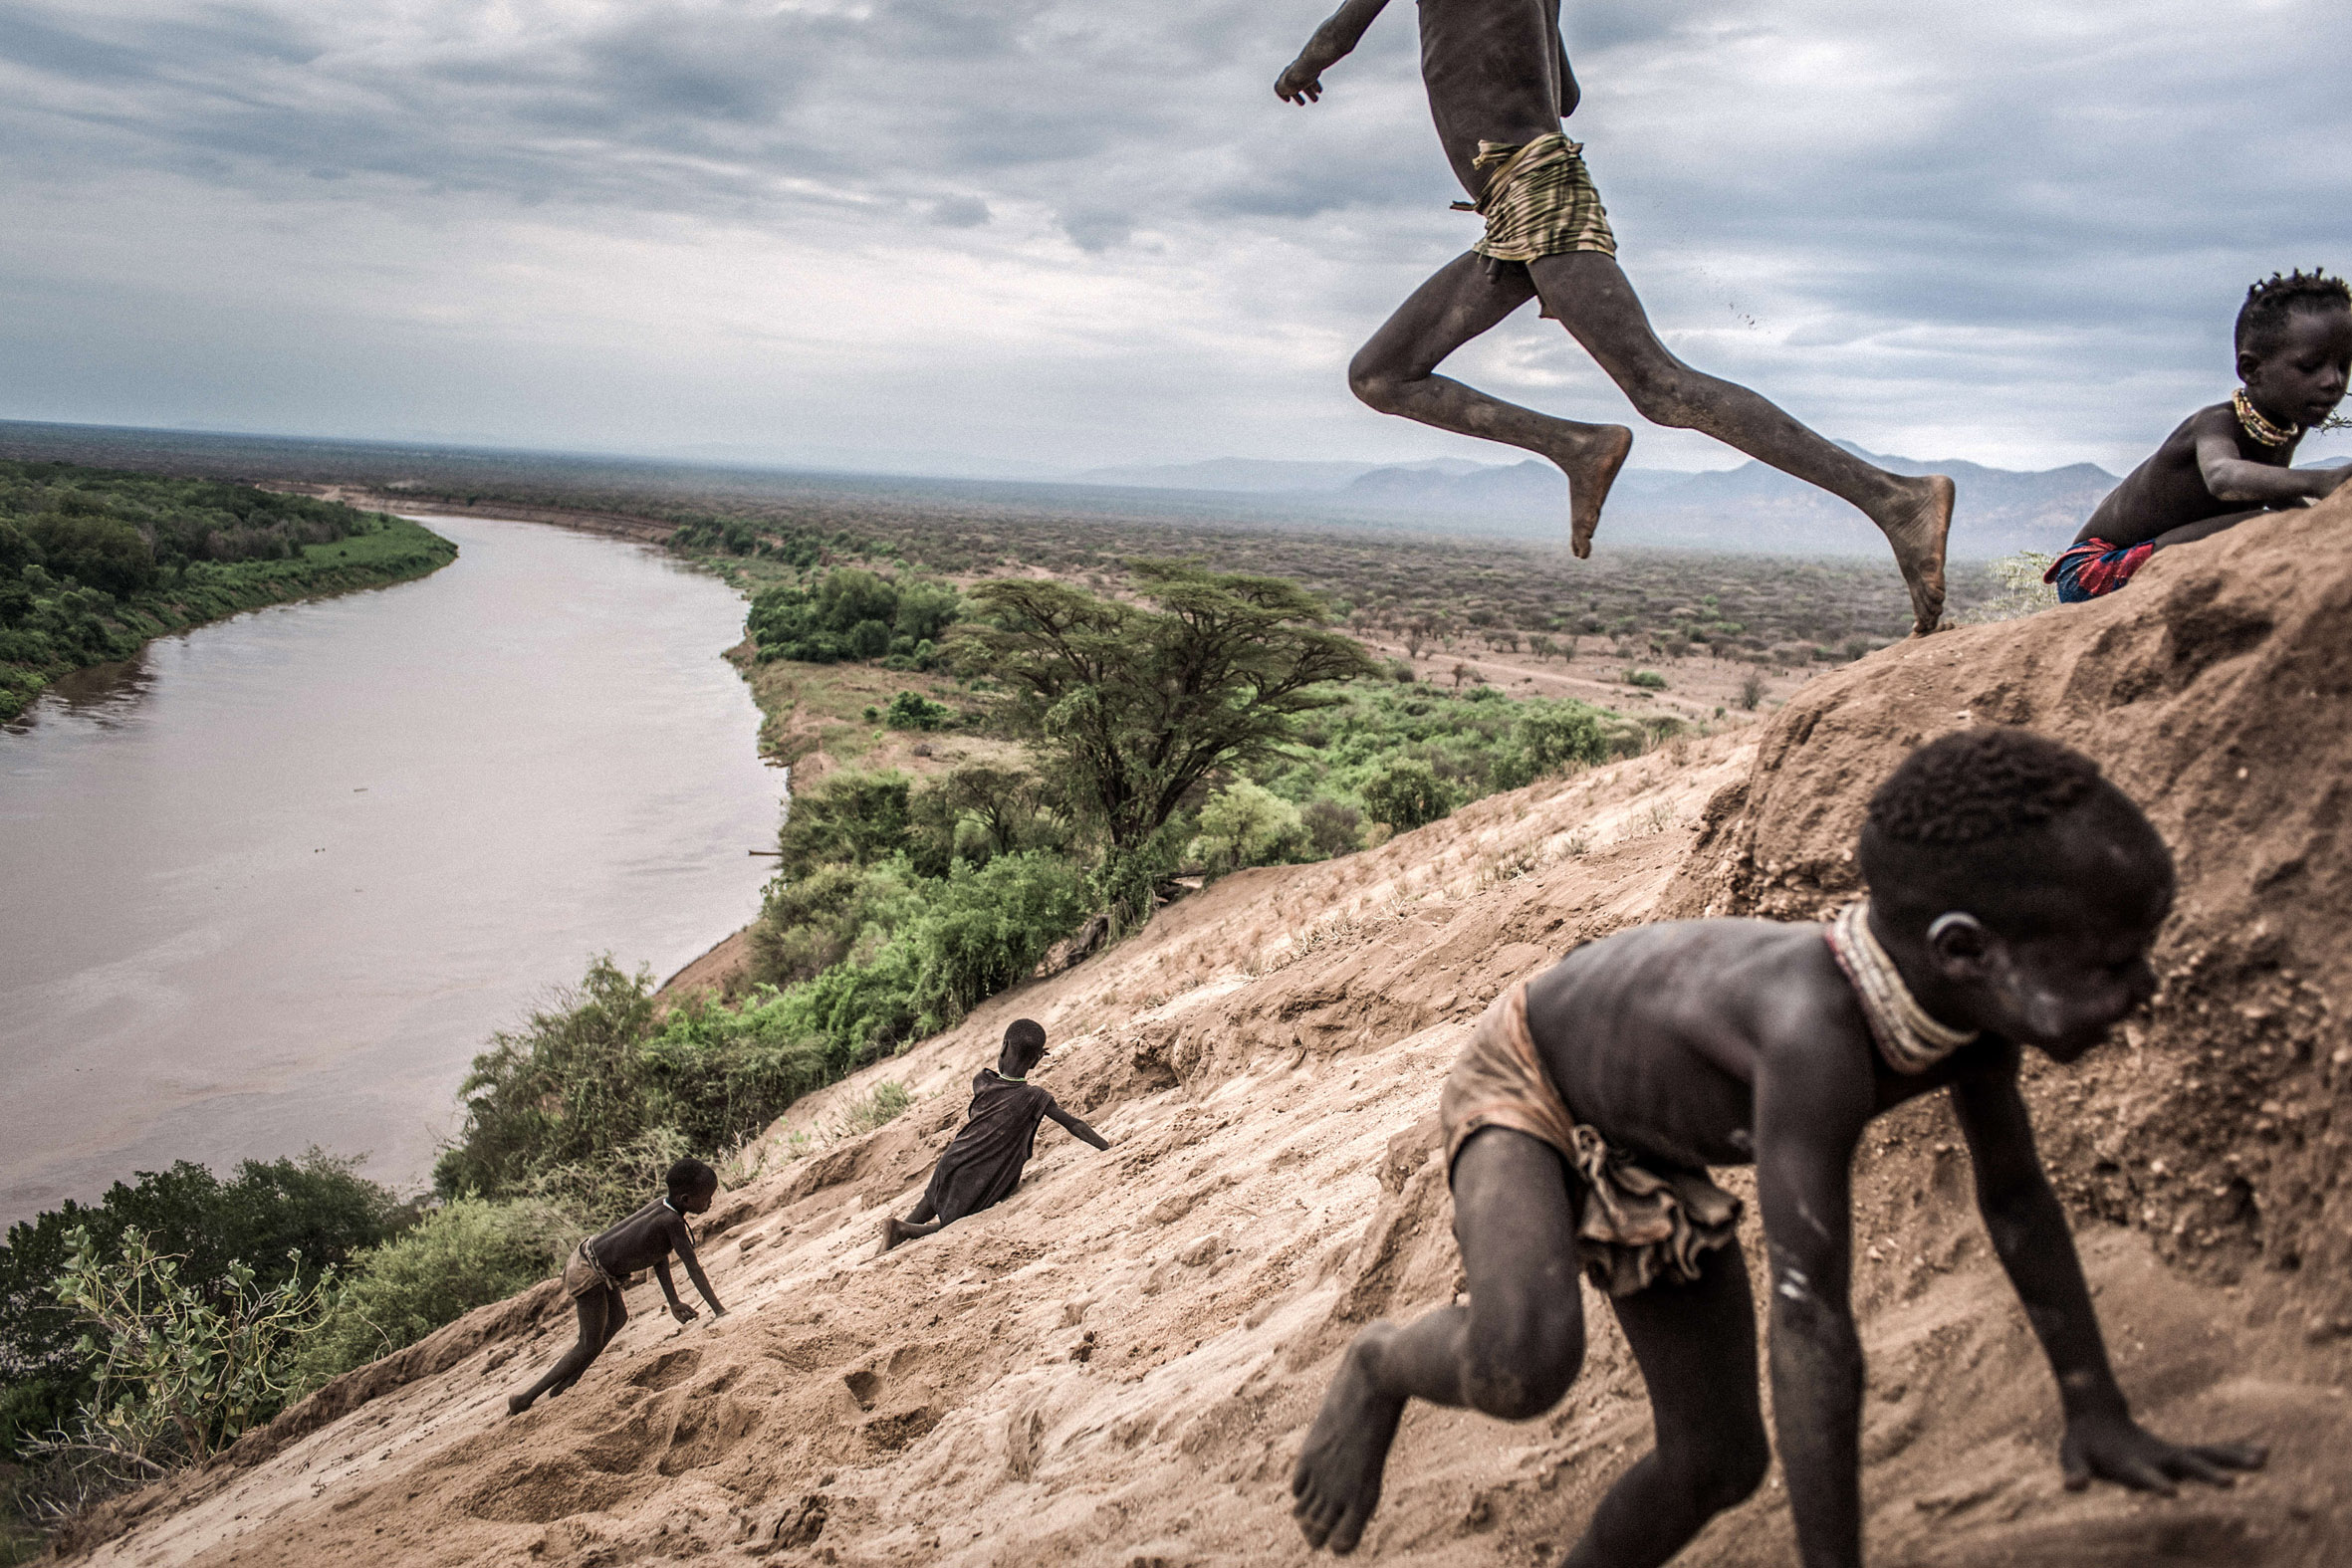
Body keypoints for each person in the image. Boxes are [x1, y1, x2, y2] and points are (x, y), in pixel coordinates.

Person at [1291, 729, 2264, 1565]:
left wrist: (2095, 1410)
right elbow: (1810, 1324)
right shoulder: (1813, 1038)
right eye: (2110, 965)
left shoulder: (1968, 1026)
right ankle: (1379, 1365)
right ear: (1964, 951)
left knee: (1716, 1463)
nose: (2143, 989)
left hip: (1652, 1131)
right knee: (1525, 1362)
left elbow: (2014, 1202)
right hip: (1527, 1079)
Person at [1275, 0, 1956, 633]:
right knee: (1380, 375)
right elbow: (1564, 93)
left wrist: (1302, 67)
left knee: (1660, 386)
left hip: (1536, 190)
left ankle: (1898, 499)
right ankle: (1577, 447)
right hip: (1516, 205)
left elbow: (1341, 30)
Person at [2047, 270, 2352, 603]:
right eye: (2310, 367)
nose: (2333, 382)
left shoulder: (2287, 428)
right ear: (2251, 369)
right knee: (2265, 526)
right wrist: (2322, 481)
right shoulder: (2216, 423)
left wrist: (2322, 522)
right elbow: (2223, 477)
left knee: (2282, 524)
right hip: (2094, 570)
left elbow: (2276, 495)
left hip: (2167, 549)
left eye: (2344, 366)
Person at [506, 1157, 725, 1416]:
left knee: (618, 1318)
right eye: (707, 1199)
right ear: (686, 1200)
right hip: (589, 1271)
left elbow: (658, 1256)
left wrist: (674, 1302)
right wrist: (719, 1310)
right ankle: (524, 1398)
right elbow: (693, 1267)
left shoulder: (664, 1208)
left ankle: (566, 1383)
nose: (710, 1203)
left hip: (589, 1259)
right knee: (588, 1342)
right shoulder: (672, 1222)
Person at [878, 1018, 1110, 1253]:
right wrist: (1107, 1147)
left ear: (1003, 1047)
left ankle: (891, 1239)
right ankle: (902, 1230)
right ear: (1036, 1062)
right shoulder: (1036, 1097)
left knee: (927, 1205)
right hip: (981, 1172)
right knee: (950, 1224)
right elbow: (1075, 1125)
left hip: (954, 1157)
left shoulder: (982, 1081)